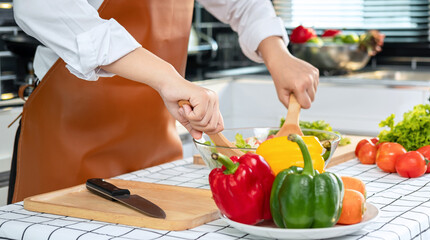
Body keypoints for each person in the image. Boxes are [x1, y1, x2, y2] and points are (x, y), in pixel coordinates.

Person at [8, 0, 319, 203]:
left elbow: (242, 5)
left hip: (157, 151)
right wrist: (166, 77)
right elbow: (39, 6)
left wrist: (278, 54)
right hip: (69, 146)